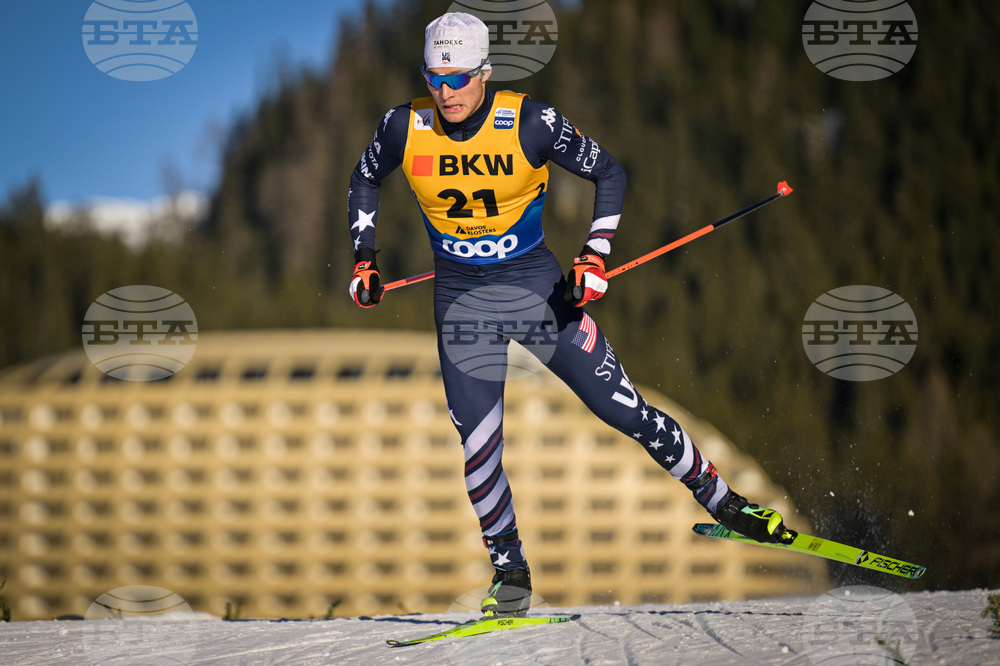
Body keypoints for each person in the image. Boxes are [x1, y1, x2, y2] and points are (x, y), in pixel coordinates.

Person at [347, 12, 794, 617]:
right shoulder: (405, 124)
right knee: (479, 448)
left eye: (457, 78)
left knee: (621, 409)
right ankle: (511, 575)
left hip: (538, 293)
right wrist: (364, 259)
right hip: (462, 305)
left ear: (484, 72)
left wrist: (594, 254)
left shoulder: (528, 121)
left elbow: (609, 171)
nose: (445, 92)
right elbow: (364, 177)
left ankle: (724, 502)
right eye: (434, 78)